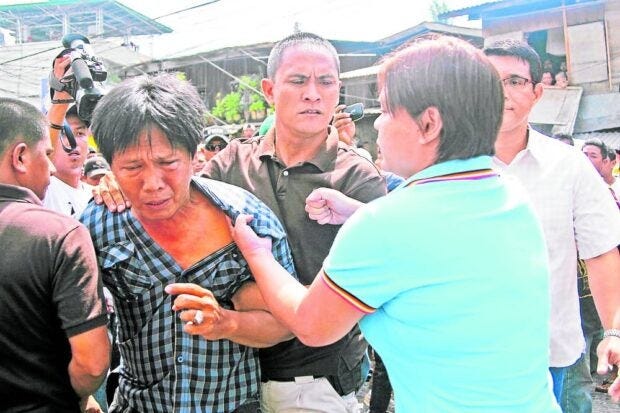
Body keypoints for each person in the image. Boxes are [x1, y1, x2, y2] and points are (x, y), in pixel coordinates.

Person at [229, 36, 560, 412]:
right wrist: (358, 213)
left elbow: (310, 323)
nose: (378, 126)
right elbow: (439, 245)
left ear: (429, 124)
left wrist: (258, 254)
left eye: (385, 111)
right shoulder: (508, 192)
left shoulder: (386, 224)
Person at [95, 32, 386, 413]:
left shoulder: (357, 178)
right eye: (298, 80)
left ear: (339, 89)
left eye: (325, 81)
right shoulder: (232, 164)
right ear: (269, 89)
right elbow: (178, 185)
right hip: (232, 375)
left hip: (310, 379)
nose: (312, 94)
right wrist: (119, 177)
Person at [82, 74, 296, 412]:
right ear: (110, 166)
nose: (152, 183)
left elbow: (288, 323)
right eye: (132, 167)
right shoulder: (98, 224)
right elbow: (68, 319)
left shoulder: (248, 220)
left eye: (168, 163)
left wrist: (228, 323)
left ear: (194, 154)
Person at [483, 39, 620, 406]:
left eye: (514, 81)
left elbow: (601, 251)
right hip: (473, 355)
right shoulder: (450, 165)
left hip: (550, 354)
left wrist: (613, 332)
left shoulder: (569, 165)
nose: (502, 93)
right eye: (489, 81)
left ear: (537, 92)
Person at [0, 97, 110, 412]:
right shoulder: (61, 236)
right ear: (20, 157)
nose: (50, 166)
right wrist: (73, 396)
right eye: (46, 154)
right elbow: (91, 364)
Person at [44, 102, 93, 217]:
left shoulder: (96, 194)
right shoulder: (40, 189)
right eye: (63, 133)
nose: (73, 142)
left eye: (80, 133)